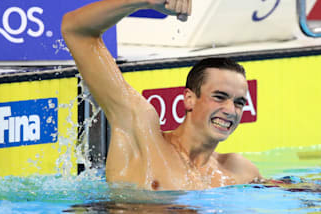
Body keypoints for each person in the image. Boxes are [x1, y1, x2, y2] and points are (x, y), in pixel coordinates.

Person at [62, 0, 262, 190]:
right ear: (189, 99)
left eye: (239, 102)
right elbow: (75, 31)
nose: (230, 110)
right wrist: (143, 2)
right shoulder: (142, 135)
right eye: (219, 97)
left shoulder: (238, 170)